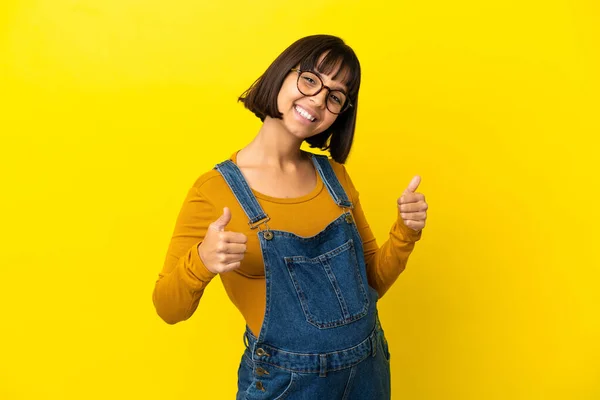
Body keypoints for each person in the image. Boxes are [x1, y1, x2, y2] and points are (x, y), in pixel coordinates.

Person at [152, 34, 428, 399]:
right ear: (282, 74)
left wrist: (405, 232)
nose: (317, 101)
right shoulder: (213, 191)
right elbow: (167, 308)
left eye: (335, 97)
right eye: (310, 79)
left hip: (367, 372)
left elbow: (370, 285)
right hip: (287, 385)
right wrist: (201, 261)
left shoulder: (335, 177)